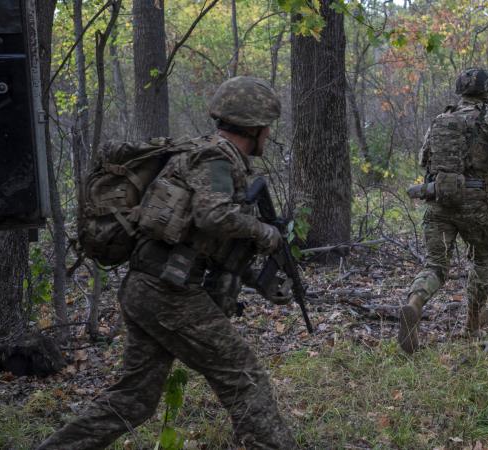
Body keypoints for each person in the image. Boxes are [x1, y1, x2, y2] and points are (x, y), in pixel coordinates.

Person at [37, 76, 297, 449]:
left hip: (151, 287)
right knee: (244, 378)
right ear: (255, 127)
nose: (268, 135)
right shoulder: (215, 158)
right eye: (267, 128)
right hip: (169, 293)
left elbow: (202, 240)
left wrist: (257, 276)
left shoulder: (208, 154)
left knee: (134, 399)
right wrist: (263, 232)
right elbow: (214, 217)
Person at [399, 68, 488, 354]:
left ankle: (414, 304)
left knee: (434, 266)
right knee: (482, 259)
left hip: (438, 200)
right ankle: (473, 323)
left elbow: (424, 158)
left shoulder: (442, 119)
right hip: (474, 203)